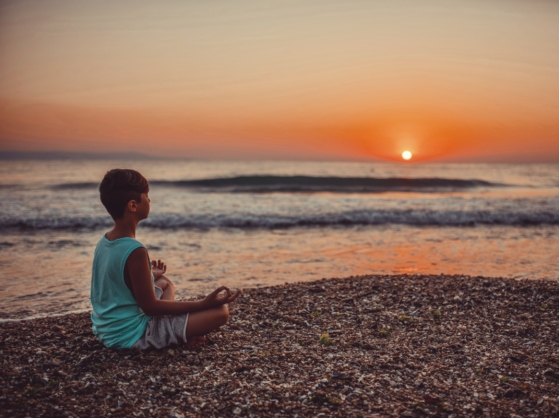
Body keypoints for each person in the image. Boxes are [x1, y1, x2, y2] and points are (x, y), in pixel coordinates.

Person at [90, 168, 241, 350]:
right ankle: (174, 337)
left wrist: (149, 274)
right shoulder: (135, 250)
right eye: (146, 195)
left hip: (108, 330)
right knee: (221, 313)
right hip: (132, 335)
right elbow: (150, 308)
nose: (149, 200)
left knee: (164, 281)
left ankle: (173, 328)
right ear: (132, 205)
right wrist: (202, 304)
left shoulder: (105, 240)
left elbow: (114, 282)